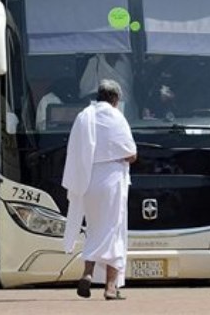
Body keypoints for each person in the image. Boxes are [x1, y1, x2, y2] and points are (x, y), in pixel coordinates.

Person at [62, 79, 137, 301]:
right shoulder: (116, 117)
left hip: (87, 181)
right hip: (112, 180)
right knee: (113, 231)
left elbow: (75, 151)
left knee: (94, 229)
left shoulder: (84, 116)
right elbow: (131, 154)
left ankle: (87, 273)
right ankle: (111, 287)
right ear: (115, 99)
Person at [79, 54, 136, 119]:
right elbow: (85, 94)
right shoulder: (95, 63)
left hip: (129, 117)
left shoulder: (127, 60)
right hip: (104, 117)